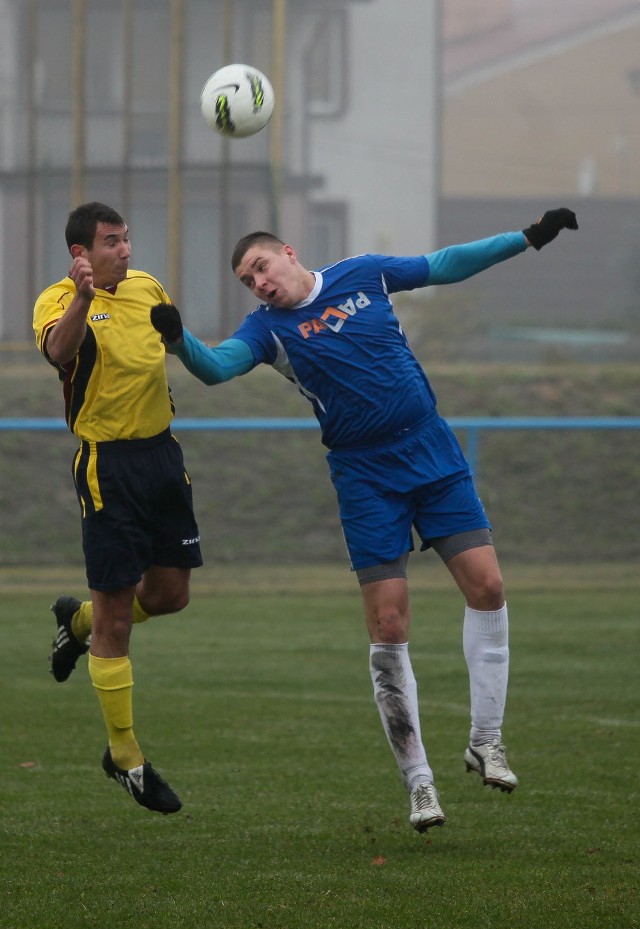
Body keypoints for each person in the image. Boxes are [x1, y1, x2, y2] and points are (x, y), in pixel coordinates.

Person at [150, 207, 578, 832]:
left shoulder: (364, 274)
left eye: (261, 268)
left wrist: (527, 238)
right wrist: (177, 340)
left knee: (488, 586)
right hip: (365, 476)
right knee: (389, 624)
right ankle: (420, 784)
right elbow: (216, 369)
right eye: (247, 280)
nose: (259, 284)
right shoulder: (266, 330)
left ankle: (487, 740)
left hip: (431, 451)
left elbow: (447, 264)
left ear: (289, 253)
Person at [33, 201, 203, 814]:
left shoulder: (146, 287)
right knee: (118, 619)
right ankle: (125, 757)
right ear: (82, 253)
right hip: (107, 465)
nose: (125, 250)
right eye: (111, 242)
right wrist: (82, 297)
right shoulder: (56, 299)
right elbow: (58, 352)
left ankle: (75, 624)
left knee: (169, 597)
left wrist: (181, 335)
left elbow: (168, 352)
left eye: (127, 238)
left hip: (162, 458)